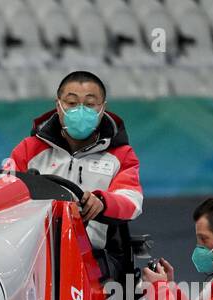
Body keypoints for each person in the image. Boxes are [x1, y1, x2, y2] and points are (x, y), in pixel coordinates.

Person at [8, 70, 143, 282]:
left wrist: (102, 202)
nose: (80, 111)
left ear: (102, 108)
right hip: (35, 254)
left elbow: (132, 200)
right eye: (71, 103)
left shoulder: (121, 154)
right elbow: (6, 194)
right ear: (58, 106)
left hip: (94, 258)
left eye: (90, 105)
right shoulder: (28, 150)